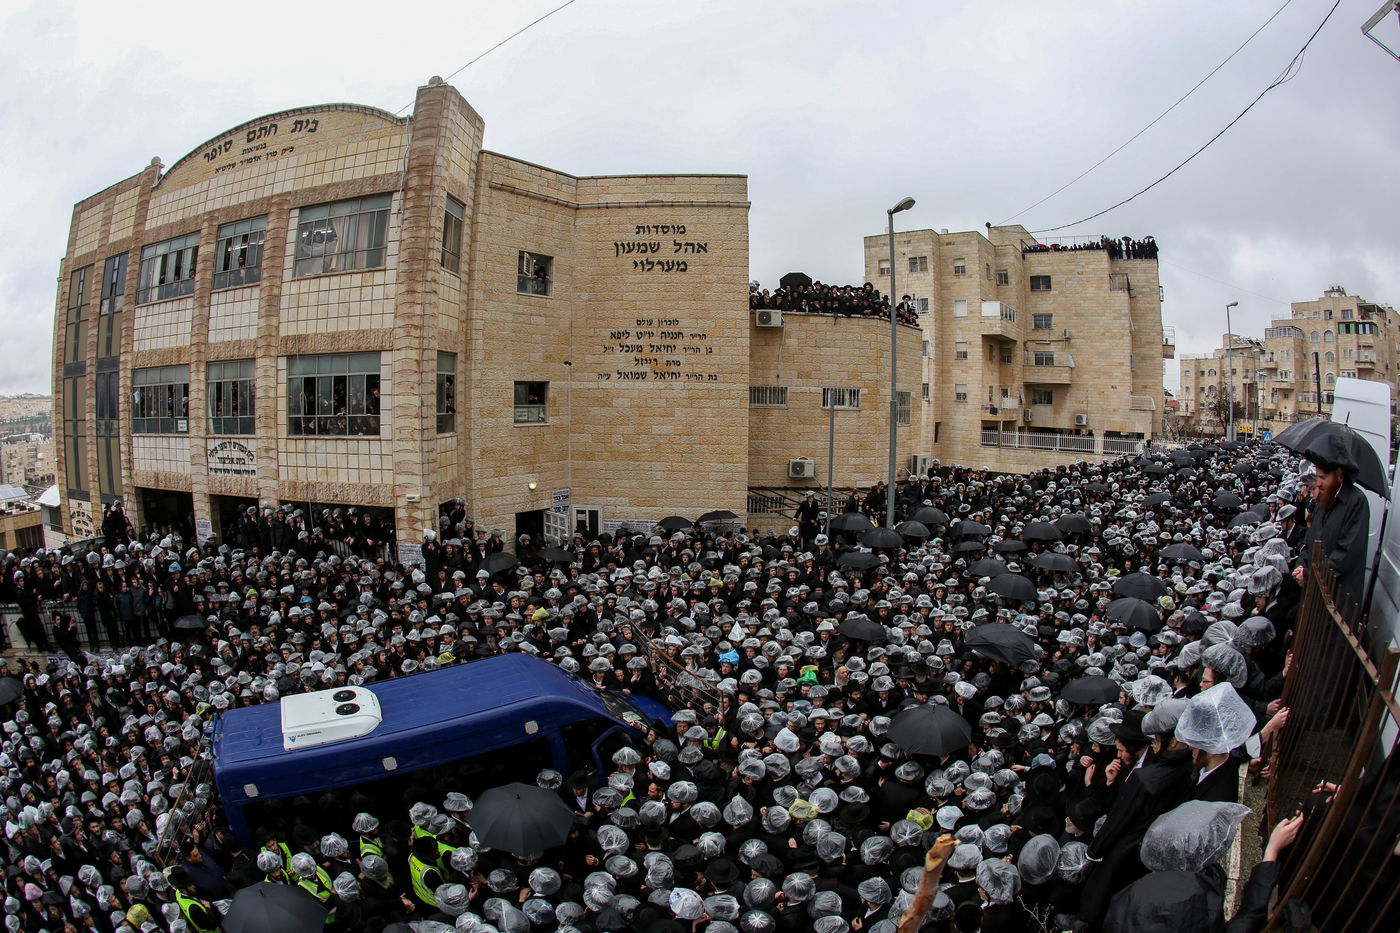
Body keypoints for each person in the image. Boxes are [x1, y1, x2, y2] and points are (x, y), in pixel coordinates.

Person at [1293, 460, 1368, 617]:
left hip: (1336, 602)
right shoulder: (1324, 499)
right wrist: (1301, 565)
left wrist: (1309, 575)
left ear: (1339, 475)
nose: (1318, 483)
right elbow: (1310, 542)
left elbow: (1344, 555)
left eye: (1323, 477)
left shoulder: (1356, 502)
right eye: (1317, 477)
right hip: (1314, 593)